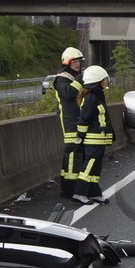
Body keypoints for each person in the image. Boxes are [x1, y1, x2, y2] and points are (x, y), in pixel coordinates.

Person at [72, 66, 115, 205]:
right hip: (93, 139)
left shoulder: (97, 96)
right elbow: (83, 119)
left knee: (96, 167)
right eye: (103, 80)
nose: (105, 82)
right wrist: (80, 137)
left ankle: (94, 193)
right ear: (97, 81)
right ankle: (79, 193)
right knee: (89, 166)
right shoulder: (91, 97)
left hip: (100, 139)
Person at [54, 47, 85, 198]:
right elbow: (69, 93)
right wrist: (80, 81)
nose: (78, 64)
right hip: (69, 120)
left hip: (77, 119)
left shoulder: (73, 77)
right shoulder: (62, 78)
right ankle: (69, 189)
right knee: (72, 153)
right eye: (75, 62)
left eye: (79, 61)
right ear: (68, 62)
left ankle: (70, 187)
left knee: (75, 153)